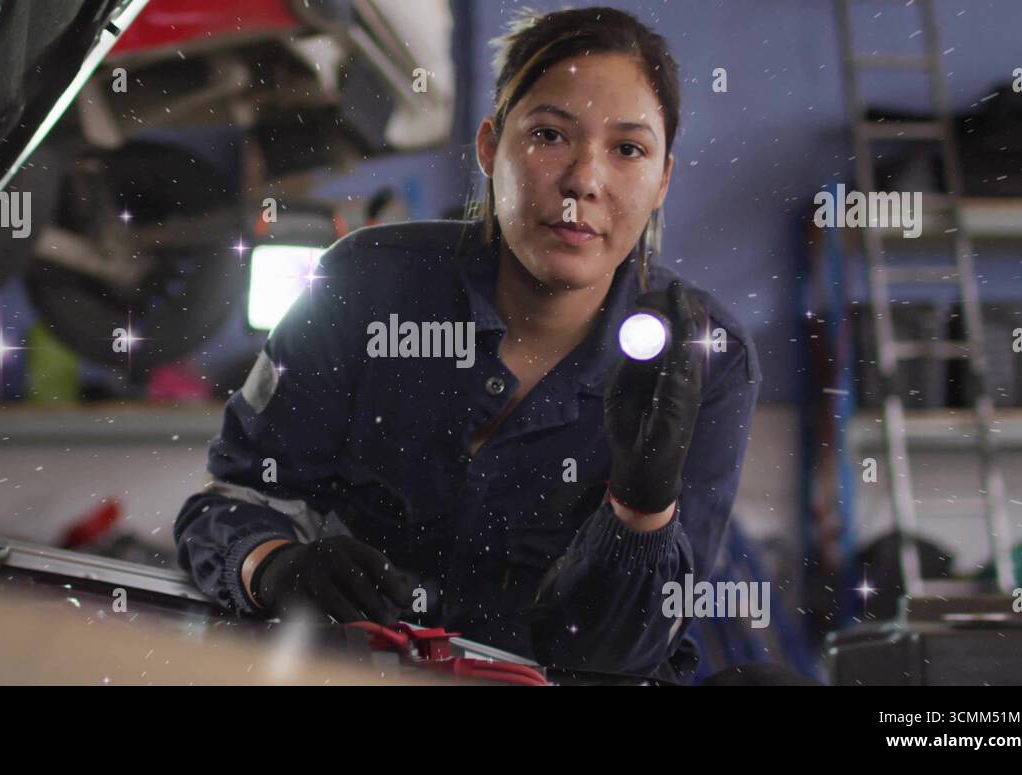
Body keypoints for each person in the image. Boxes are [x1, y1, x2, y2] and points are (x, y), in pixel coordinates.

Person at [174, 6, 766, 682]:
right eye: (549, 134)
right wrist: (272, 563)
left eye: (628, 149)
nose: (583, 181)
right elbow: (229, 503)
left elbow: (618, 657)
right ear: (489, 147)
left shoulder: (706, 361)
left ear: (662, 179)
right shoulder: (364, 286)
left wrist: (641, 506)